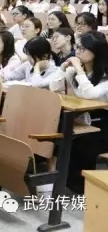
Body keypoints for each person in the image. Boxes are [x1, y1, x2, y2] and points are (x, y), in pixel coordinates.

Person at [50, 31, 108, 194]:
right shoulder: (75, 72)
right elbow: (54, 87)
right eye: (77, 47)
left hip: (103, 123)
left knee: (81, 142)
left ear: (96, 51)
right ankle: (60, 182)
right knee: (59, 132)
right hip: (82, 117)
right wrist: (63, 68)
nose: (77, 52)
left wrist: (78, 69)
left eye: (82, 48)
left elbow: (90, 94)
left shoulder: (105, 75)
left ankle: (79, 186)